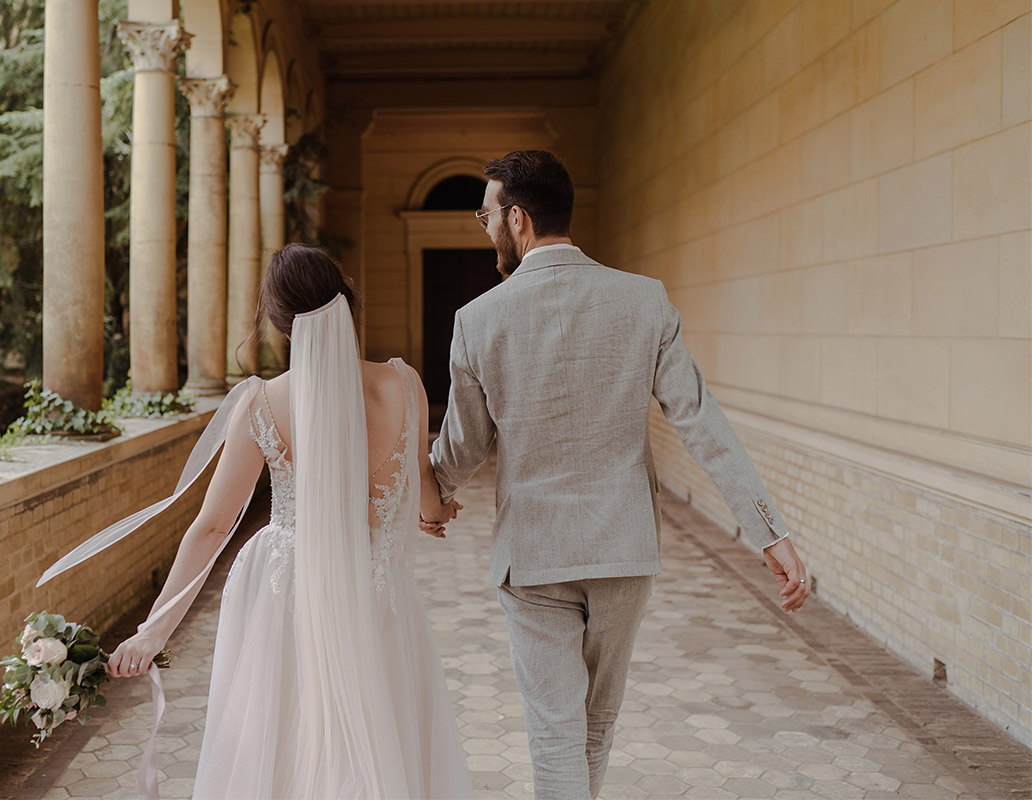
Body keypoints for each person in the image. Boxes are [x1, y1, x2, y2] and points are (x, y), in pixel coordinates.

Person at [422, 150, 811, 800]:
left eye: (487, 216)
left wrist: (431, 498)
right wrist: (771, 533)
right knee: (593, 728)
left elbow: (461, 448)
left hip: (533, 559)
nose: (485, 230)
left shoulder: (477, 320)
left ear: (517, 219)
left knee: (556, 738)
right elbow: (701, 422)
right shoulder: (643, 300)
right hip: (623, 553)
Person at [73, 245, 472, 798]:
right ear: (346, 304)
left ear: (277, 321)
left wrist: (154, 629)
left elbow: (214, 527)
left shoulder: (262, 403)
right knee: (384, 730)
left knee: (277, 747)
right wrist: (437, 512)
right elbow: (423, 488)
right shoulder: (404, 384)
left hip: (284, 597)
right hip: (377, 593)